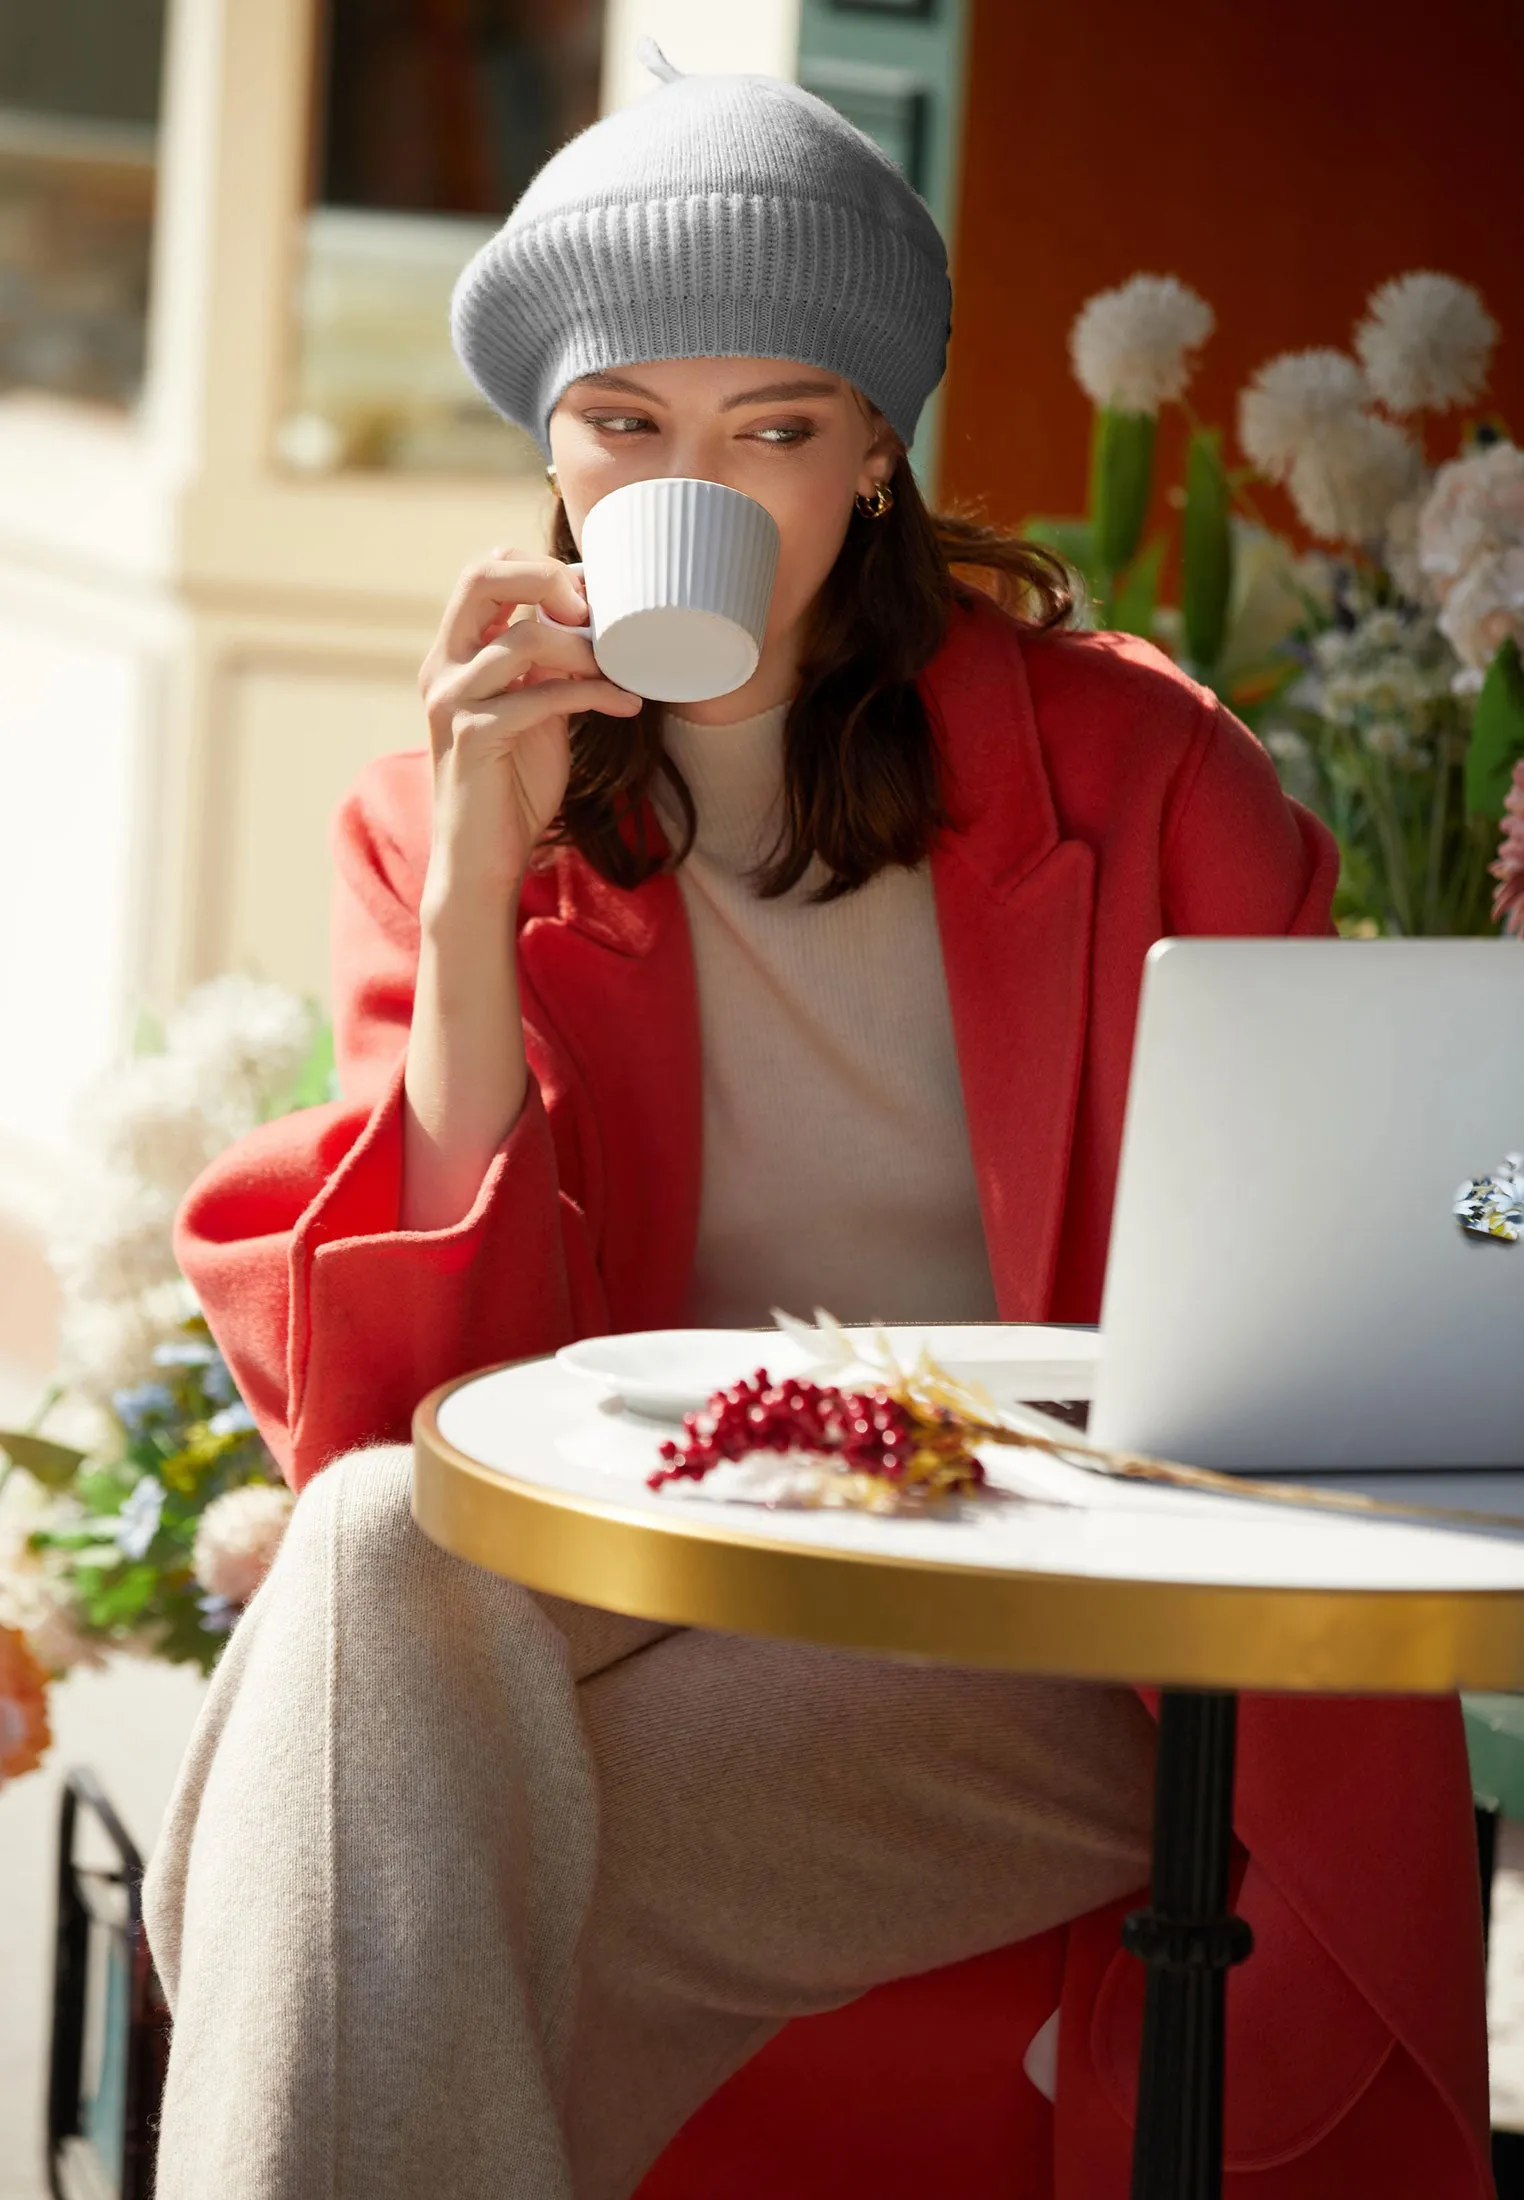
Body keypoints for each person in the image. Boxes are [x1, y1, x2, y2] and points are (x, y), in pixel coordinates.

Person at [142, 49, 1490, 2200]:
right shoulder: (445, 803)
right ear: (559, 458)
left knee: (371, 1900)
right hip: (655, 1555)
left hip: (1054, 1609)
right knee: (376, 1549)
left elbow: (1345, 1262)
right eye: (627, 426)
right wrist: (479, 897)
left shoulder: (1137, 771)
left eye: (775, 427)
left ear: (875, 450)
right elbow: (389, 1420)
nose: (700, 481)